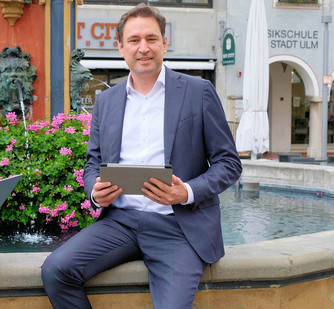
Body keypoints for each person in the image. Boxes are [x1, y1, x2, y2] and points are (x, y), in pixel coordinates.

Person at [41, 4, 242, 308]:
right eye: (134, 40)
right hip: (120, 223)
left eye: (151, 39)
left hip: (179, 227)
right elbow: (93, 163)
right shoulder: (106, 101)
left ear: (164, 43)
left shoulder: (198, 91)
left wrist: (185, 192)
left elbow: (229, 163)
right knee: (55, 271)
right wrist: (95, 191)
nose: (143, 48)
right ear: (121, 47)